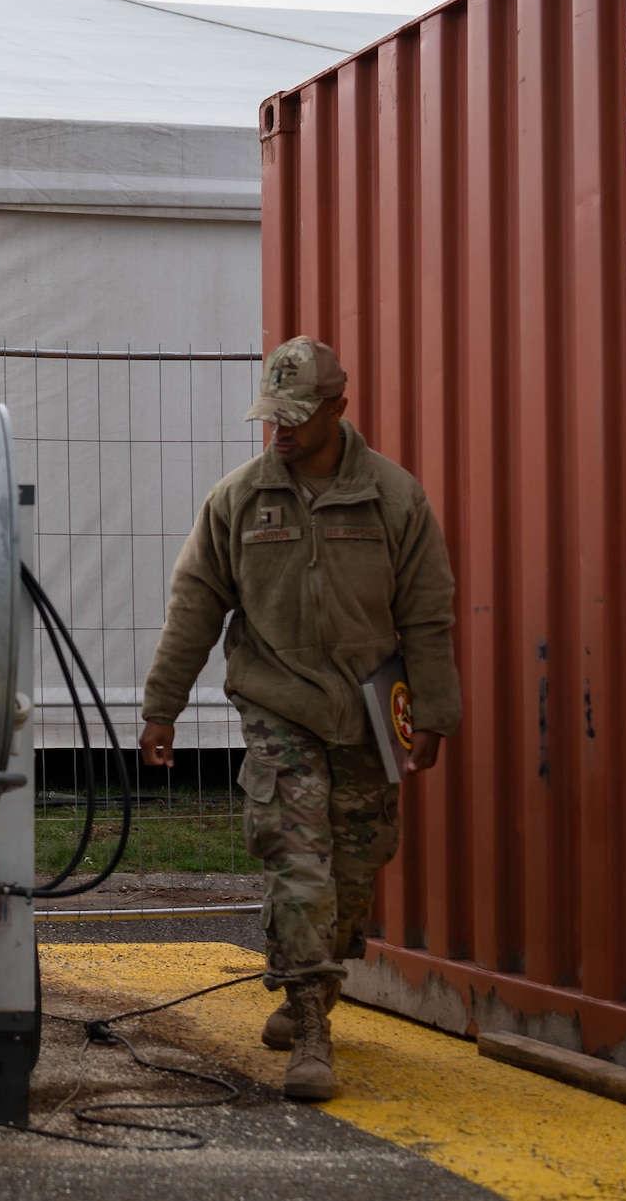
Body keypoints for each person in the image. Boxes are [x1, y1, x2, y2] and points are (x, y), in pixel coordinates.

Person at [136, 336, 460, 1101]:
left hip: (369, 710)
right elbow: (193, 609)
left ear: (339, 408)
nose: (279, 429)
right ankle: (312, 1025)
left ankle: (311, 982)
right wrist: (161, 708)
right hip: (277, 704)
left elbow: (427, 615)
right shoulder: (240, 499)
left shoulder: (394, 498)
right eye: (270, 415)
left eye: (296, 414)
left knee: (355, 869)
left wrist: (436, 714)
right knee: (299, 865)